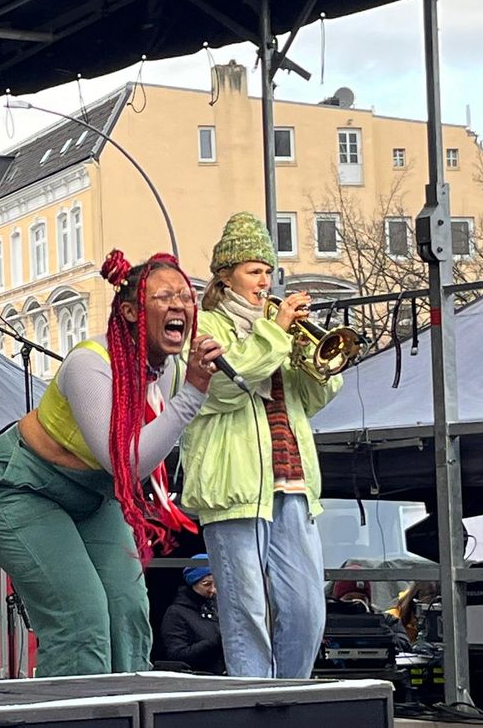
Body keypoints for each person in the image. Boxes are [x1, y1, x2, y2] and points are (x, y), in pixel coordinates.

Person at [0, 250, 222, 677]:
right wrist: (194, 393)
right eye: (164, 296)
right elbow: (125, 462)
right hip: (18, 488)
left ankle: (128, 712)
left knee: (128, 611)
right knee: (80, 617)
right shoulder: (91, 364)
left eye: (185, 295)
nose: (179, 304)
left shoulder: (173, 368)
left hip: (90, 496)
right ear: (129, 312)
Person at [181, 212, 343, 679]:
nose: (264, 281)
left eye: (268, 272)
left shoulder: (277, 331)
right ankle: (252, 699)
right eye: (254, 271)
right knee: (245, 610)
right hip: (234, 488)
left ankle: (289, 695)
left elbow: (310, 402)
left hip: (291, 482)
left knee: (308, 606)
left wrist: (315, 363)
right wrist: (275, 334)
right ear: (225, 274)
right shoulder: (204, 324)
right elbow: (228, 386)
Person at [160, 553, 226, 674]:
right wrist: (217, 641)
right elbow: (176, 655)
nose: (212, 590)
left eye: (216, 584)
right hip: (198, 679)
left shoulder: (220, 606)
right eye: (206, 584)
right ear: (193, 582)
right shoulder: (176, 613)